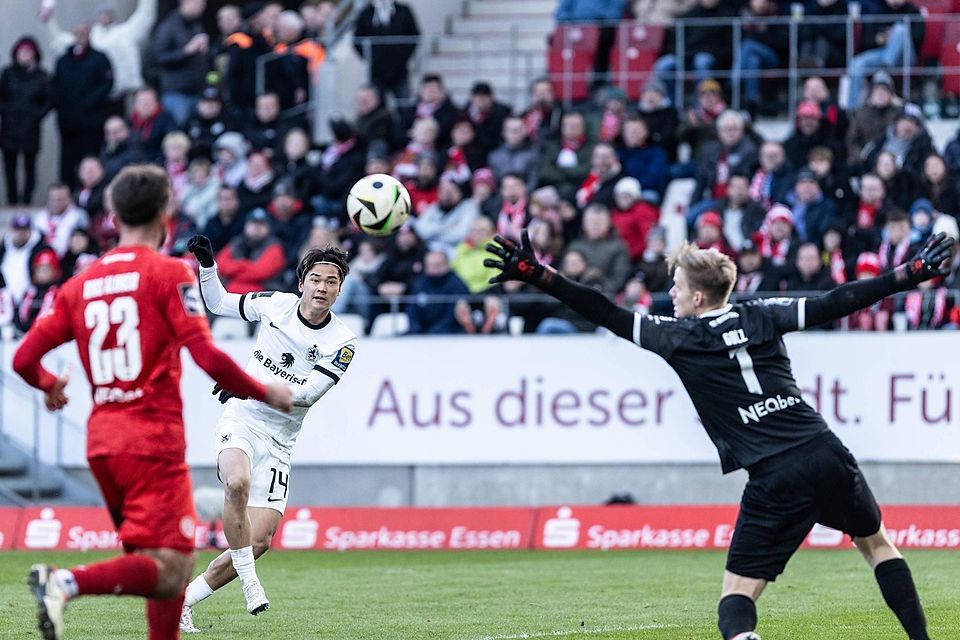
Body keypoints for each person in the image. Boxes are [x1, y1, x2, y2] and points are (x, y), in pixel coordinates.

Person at [483, 228, 953, 640]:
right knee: (876, 545)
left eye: (678, 286)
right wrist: (909, 273)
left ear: (699, 298)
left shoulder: (679, 337)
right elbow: (838, 301)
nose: (672, 293)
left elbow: (603, 310)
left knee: (736, 602)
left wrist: (542, 276)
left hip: (774, 475)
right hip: (825, 451)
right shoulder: (763, 313)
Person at [14, 164, 291, 640]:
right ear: (167, 213)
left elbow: (23, 359)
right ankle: (64, 581)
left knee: (157, 569)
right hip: (152, 443)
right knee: (173, 572)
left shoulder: (78, 284)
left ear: (112, 215)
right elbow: (206, 355)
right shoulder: (169, 273)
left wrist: (49, 385)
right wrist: (267, 391)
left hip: (103, 446)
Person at [179, 235, 357, 631]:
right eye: (316, 279)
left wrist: (248, 384)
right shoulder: (274, 305)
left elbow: (308, 395)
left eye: (331, 282)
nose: (322, 288)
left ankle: (183, 601)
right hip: (241, 418)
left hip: (280, 442)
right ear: (301, 283)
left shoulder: (342, 341)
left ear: (340, 290)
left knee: (259, 542)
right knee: (236, 482)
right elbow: (219, 303)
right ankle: (251, 585)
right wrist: (207, 266)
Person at [42, 0, 157, 108]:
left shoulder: (126, 32)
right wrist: (48, 20)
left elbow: (145, 16)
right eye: (102, 13)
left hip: (128, 92)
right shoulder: (91, 38)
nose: (105, 15)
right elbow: (59, 41)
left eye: (108, 13)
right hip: (101, 95)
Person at [53, 23, 113, 190]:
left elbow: (107, 84)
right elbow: (56, 87)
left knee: (89, 158)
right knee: (67, 161)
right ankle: (67, 193)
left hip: (91, 121)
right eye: (77, 32)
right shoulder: (63, 61)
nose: (81, 36)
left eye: (84, 32)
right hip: (68, 122)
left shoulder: (100, 58)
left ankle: (89, 193)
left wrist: (89, 101)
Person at [0, 37, 53, 205]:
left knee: (30, 166)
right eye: (22, 52)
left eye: (28, 52)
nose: (25, 55)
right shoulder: (8, 73)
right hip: (9, 126)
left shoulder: (41, 75)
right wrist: (6, 111)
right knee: (10, 166)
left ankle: (27, 199)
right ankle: (12, 199)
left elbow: (49, 100)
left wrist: (37, 114)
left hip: (31, 127)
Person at [846, 0, 924, 110]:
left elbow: (918, 39)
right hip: (882, 53)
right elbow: (867, 40)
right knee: (856, 63)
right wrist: (882, 38)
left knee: (900, 30)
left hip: (906, 56)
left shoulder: (912, 11)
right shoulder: (877, 10)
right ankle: (852, 109)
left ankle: (884, 71)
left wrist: (896, 39)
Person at [152, 0, 211, 125]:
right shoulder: (168, 26)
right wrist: (186, 51)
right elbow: (159, 57)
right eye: (198, 4)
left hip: (198, 91)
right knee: (178, 131)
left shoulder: (196, 25)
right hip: (177, 94)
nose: (201, 8)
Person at [353, 0, 421, 103]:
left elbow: (414, 35)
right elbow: (357, 39)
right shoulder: (366, 13)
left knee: (404, 105)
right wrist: (370, 58)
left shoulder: (403, 11)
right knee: (377, 107)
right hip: (377, 72)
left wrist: (403, 56)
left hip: (399, 71)